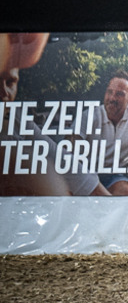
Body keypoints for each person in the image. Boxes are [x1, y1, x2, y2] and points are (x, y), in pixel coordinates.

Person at [0, 32, 110, 196]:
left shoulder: (15, 121)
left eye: (10, 82)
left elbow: (59, 157)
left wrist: (108, 202)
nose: (3, 92)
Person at [90, 70, 128, 196]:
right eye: (109, 92)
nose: (112, 98)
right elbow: (68, 149)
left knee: (124, 189)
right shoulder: (90, 116)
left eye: (119, 94)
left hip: (115, 177)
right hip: (88, 173)